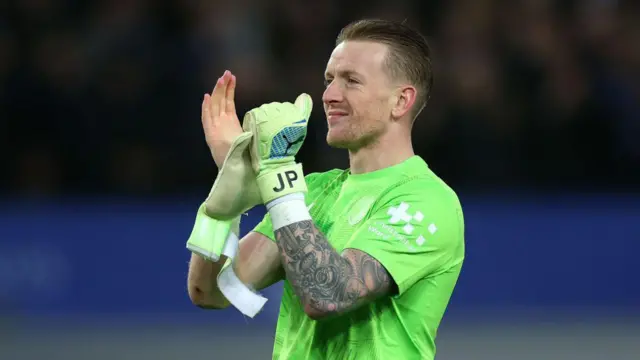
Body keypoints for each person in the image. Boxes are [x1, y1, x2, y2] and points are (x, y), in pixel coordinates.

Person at [187, 19, 465, 360]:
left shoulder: (426, 200)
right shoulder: (313, 191)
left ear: (400, 101)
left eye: (352, 81)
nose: (330, 95)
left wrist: (277, 177)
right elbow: (211, 292)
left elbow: (329, 294)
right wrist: (224, 204)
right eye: (329, 80)